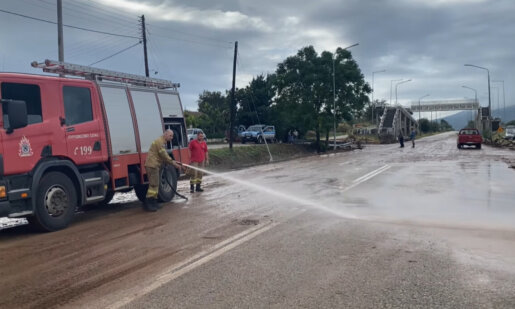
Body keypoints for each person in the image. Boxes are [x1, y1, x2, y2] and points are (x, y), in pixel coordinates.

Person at [144, 129, 183, 212]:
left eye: (172, 136)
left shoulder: (161, 142)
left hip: (154, 165)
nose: (171, 138)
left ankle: (154, 202)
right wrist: (174, 163)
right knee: (153, 185)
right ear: (165, 134)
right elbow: (164, 156)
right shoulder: (159, 142)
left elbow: (162, 156)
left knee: (156, 184)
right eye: (170, 135)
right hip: (152, 165)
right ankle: (149, 204)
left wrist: (172, 162)